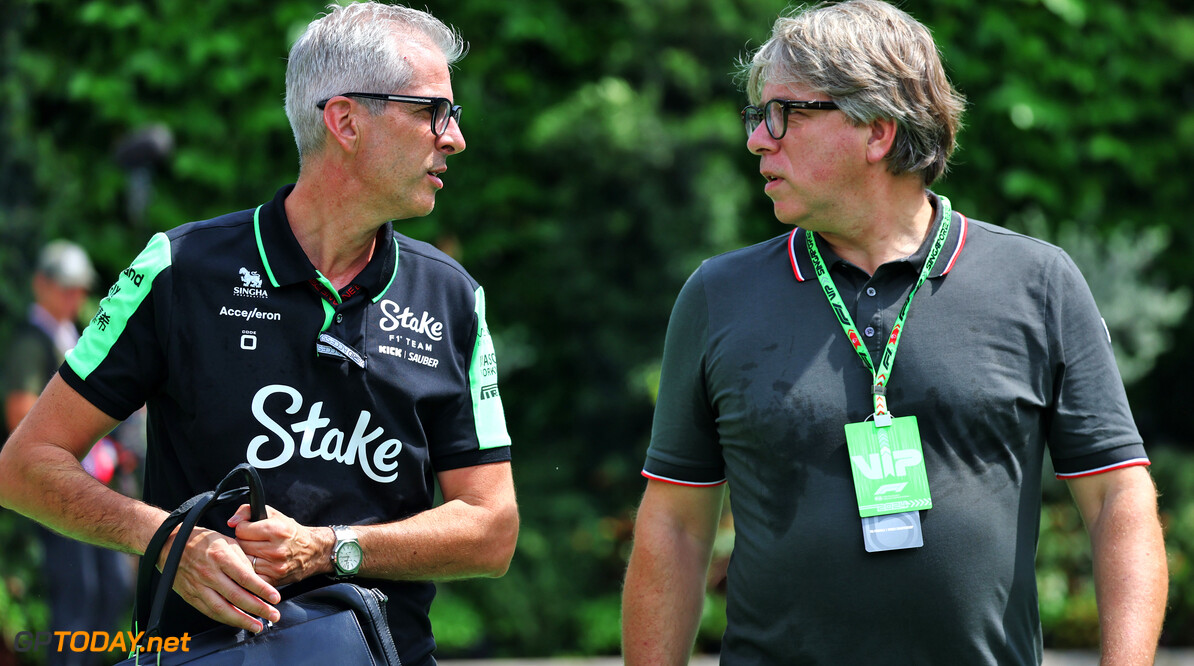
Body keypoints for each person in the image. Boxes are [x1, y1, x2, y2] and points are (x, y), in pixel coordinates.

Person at [621, 1, 1167, 664]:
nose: (758, 139)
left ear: (877, 131)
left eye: (783, 114)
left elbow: (1118, 497)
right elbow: (675, 526)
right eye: (755, 116)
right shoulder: (718, 295)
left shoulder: (1038, 283)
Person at [0, 5, 518, 666]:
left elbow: (492, 529)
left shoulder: (452, 297)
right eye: (430, 111)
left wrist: (331, 547)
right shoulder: (175, 269)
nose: (453, 138)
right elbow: (24, 465)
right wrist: (167, 540)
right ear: (346, 121)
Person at [2, 240, 132, 666]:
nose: (74, 297)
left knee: (112, 589)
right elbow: (20, 413)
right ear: (42, 285)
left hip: (91, 481)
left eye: (80, 289)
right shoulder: (31, 342)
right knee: (77, 600)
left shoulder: (73, 334)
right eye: (65, 287)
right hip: (56, 482)